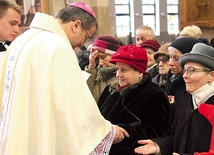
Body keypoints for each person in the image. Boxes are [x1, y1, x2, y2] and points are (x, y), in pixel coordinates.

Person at [0, 2, 129, 154]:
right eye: (86, 37)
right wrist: (107, 131)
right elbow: (72, 104)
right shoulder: (58, 47)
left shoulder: (21, 41)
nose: (83, 44)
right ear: (76, 25)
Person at [134, 42, 214, 155]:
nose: (185, 75)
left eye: (192, 70)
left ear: (211, 75)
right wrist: (159, 145)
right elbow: (175, 136)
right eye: (185, 70)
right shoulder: (185, 100)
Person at [98, 44, 171, 154]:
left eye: (124, 70)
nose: (118, 75)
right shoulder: (110, 90)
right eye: (117, 69)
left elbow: (158, 132)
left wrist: (125, 132)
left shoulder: (154, 94)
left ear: (140, 72)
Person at [164, 37, 200, 124]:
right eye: (170, 57)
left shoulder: (193, 86)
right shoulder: (171, 79)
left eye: (176, 58)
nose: (170, 63)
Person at [85, 35, 120, 102]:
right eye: (97, 59)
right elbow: (84, 92)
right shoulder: (95, 73)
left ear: (114, 55)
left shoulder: (122, 75)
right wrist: (91, 68)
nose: (100, 63)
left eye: (103, 57)